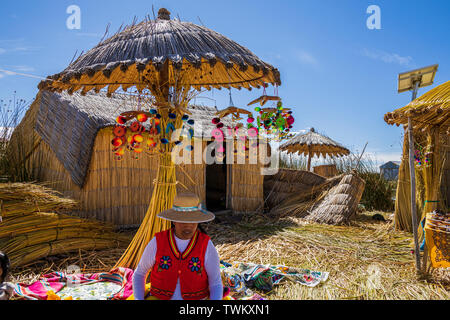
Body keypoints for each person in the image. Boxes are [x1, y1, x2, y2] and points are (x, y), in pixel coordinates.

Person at [131, 193, 223, 300]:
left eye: (192, 221)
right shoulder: (158, 242)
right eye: (183, 220)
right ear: (173, 220)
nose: (188, 225)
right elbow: (140, 273)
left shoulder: (205, 245)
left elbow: (215, 282)